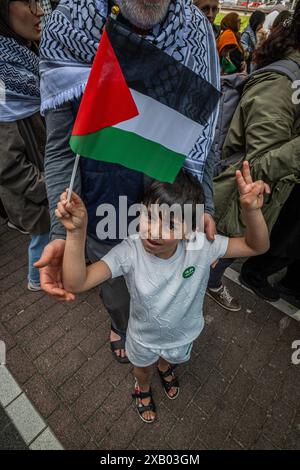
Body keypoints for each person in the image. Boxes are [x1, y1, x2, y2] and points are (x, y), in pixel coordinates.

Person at [35, 0, 220, 363]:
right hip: (104, 206)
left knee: (166, 285)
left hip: (169, 207)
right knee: (117, 292)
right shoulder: (68, 29)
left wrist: (206, 205)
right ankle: (123, 326)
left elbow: (203, 139)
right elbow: (60, 148)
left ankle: (158, 338)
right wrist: (61, 232)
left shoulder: (196, 32)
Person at [55, 162, 270, 423]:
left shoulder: (200, 245)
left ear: (191, 229)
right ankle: (142, 387)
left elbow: (255, 246)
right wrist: (76, 233)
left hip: (183, 336)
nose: (154, 231)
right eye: (148, 216)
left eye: (170, 224)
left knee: (169, 359)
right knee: (141, 369)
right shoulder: (129, 251)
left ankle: (165, 367)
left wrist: (252, 211)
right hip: (142, 338)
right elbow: (77, 283)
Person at [210, 2, 300, 307]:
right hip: (235, 208)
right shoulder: (283, 83)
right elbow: (256, 168)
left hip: (248, 208)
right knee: (206, 264)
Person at [0, 0, 50, 291]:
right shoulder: (4, 77)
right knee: (41, 239)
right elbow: (7, 165)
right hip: (34, 195)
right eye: (28, 2)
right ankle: (36, 279)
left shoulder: (25, 56)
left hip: (42, 188)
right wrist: (50, 188)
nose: (39, 11)